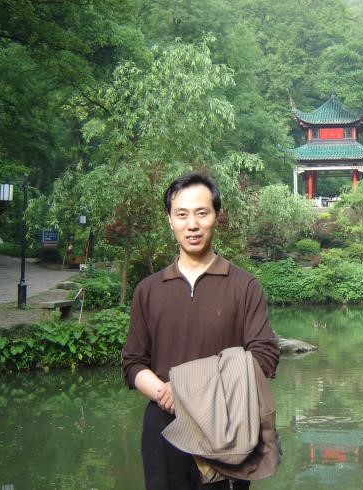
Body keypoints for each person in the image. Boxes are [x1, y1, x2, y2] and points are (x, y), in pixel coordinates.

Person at [122, 172, 280, 490]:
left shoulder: (244, 286)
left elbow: (264, 357)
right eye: (182, 214)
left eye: (201, 213)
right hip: (165, 429)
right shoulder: (148, 290)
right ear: (170, 220)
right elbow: (133, 362)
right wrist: (167, 395)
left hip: (228, 428)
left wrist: (187, 391)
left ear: (216, 216)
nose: (192, 225)